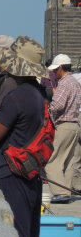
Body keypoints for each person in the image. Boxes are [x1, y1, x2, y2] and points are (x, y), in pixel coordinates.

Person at [0, 37, 47, 237]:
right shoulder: (37, 92)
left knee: (14, 228)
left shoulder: (16, 96)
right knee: (28, 228)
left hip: (11, 171)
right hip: (29, 170)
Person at [45, 54, 81, 203]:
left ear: (60, 68)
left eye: (55, 70)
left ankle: (60, 192)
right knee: (68, 161)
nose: (53, 73)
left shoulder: (65, 83)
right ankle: (66, 191)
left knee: (52, 161)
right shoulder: (74, 82)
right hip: (75, 124)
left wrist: (48, 108)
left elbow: (58, 105)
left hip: (64, 125)